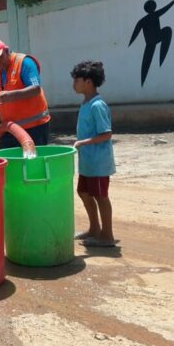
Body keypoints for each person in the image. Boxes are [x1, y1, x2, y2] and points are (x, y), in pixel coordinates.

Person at [71, 60, 117, 248]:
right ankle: (94, 229)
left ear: (88, 82)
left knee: (101, 196)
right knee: (83, 192)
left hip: (98, 162)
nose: (74, 84)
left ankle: (107, 236)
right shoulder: (86, 103)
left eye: (77, 80)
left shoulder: (97, 105)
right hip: (88, 162)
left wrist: (83, 142)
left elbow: (106, 133)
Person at [0, 38, 51, 150]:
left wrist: (10, 96)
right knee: (9, 163)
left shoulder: (24, 63)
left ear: (6, 51)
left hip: (35, 127)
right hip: (9, 129)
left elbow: (36, 89)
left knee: (33, 162)